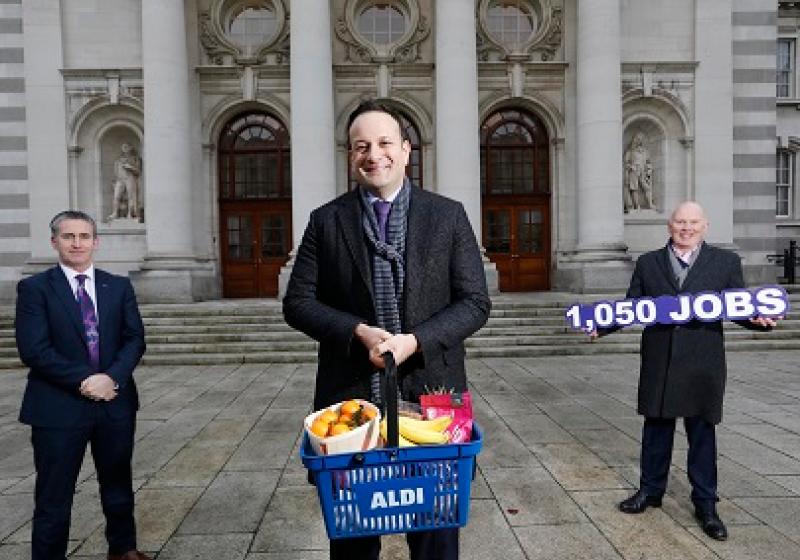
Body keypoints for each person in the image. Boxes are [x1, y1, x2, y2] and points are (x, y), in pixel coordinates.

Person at [283, 100, 491, 560]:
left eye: (384, 143)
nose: (373, 155)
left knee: (435, 536)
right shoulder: (326, 220)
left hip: (433, 397)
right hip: (351, 401)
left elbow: (475, 302)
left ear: (406, 149)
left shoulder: (448, 215)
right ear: (351, 156)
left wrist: (416, 341)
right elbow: (297, 303)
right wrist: (356, 331)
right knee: (354, 540)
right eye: (361, 146)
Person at [592, 201, 779, 541]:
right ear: (670, 225)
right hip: (660, 359)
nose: (686, 228)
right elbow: (632, 306)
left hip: (702, 362)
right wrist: (601, 325)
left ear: (705, 226)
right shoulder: (648, 263)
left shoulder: (725, 262)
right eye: (680, 222)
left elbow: (737, 306)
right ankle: (650, 491)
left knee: (702, 434)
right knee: (656, 430)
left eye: (693, 222)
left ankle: (706, 505)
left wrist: (758, 320)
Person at [15, 210, 149, 560]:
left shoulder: (117, 286)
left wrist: (111, 377)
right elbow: (34, 349)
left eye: (84, 236)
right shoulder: (35, 289)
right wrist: (86, 380)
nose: (77, 243)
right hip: (57, 408)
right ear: (54, 241)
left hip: (114, 403)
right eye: (68, 236)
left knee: (118, 485)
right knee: (54, 495)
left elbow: (135, 339)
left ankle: (123, 550)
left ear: (95, 242)